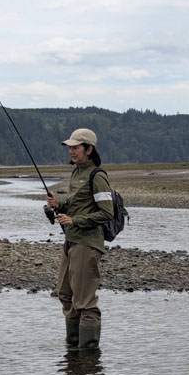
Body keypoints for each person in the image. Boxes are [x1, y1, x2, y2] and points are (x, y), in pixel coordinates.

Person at [46, 128, 114, 350]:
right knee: (65, 295)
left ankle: (88, 357)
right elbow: (76, 203)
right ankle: (73, 352)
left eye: (76, 147)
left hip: (87, 243)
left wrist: (75, 221)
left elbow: (107, 213)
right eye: (70, 147)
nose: (71, 151)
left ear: (89, 149)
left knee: (85, 302)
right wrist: (59, 205)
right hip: (71, 242)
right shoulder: (76, 173)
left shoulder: (98, 176)